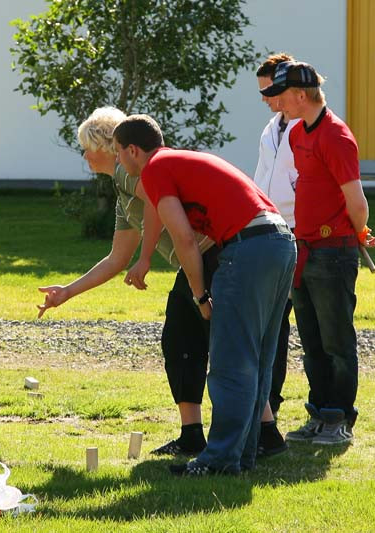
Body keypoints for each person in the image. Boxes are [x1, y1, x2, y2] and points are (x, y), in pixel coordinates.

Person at [113, 115, 296, 476]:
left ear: (133, 150)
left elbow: (184, 240)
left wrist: (200, 296)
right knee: (257, 359)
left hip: (247, 249)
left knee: (230, 362)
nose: (117, 160)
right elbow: (155, 213)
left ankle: (218, 460)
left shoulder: (155, 169)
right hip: (279, 242)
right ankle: (242, 455)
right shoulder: (173, 163)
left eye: (118, 152)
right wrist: (145, 258)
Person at [36, 106, 219, 456]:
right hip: (193, 264)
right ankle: (192, 434)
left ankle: (256, 431)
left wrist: (145, 258)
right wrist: (67, 292)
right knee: (179, 340)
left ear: (104, 146)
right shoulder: (122, 190)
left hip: (210, 257)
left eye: (86, 148)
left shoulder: (127, 173)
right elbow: (116, 259)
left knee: (220, 344)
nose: (84, 156)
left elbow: (154, 198)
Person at [259, 60, 375, 445]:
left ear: (300, 95)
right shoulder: (297, 133)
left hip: (333, 252)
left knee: (336, 340)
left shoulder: (336, 136)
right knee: (311, 341)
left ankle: (339, 417)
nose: (276, 102)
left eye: (281, 95)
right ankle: (319, 412)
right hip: (302, 247)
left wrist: (358, 232)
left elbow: (357, 202)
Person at [252, 53, 301, 457]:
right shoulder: (271, 127)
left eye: (270, 91)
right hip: (270, 229)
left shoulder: (307, 126)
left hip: (301, 231)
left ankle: (330, 413)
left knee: (315, 327)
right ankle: (270, 403)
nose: (266, 99)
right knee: (275, 324)